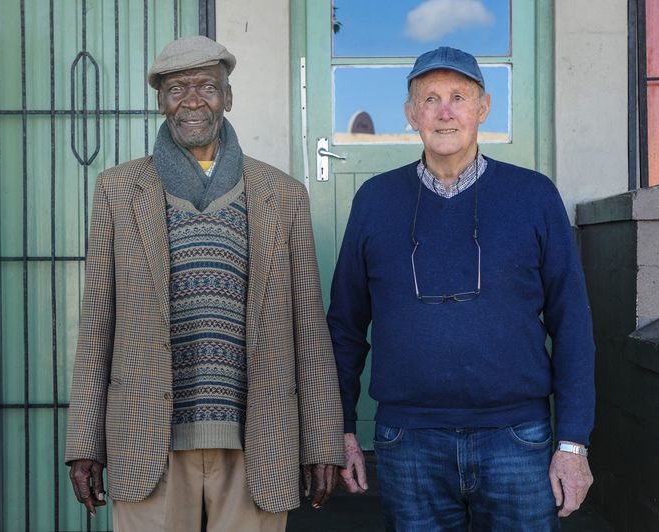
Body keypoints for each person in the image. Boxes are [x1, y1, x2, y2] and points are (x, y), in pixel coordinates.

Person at [65, 35, 343, 531]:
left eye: (206, 87)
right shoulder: (118, 189)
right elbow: (97, 325)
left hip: (259, 437)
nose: (192, 101)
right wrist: (85, 444)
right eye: (176, 89)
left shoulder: (283, 195)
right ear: (160, 101)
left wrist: (322, 438)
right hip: (147, 437)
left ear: (228, 97)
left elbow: (310, 331)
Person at [328, 46, 595, 531]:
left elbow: (572, 322)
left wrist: (573, 443)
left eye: (458, 97)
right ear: (412, 115)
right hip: (407, 439)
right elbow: (344, 328)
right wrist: (343, 429)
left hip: (517, 437)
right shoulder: (374, 201)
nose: (445, 111)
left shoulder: (533, 196)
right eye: (430, 99)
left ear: (483, 108)